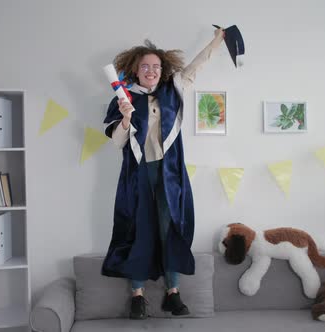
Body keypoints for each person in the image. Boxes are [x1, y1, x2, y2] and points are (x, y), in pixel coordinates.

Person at [101, 28, 224, 320]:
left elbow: (196, 66)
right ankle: (138, 297)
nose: (151, 71)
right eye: (145, 66)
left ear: (163, 69)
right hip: (138, 175)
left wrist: (217, 41)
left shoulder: (173, 91)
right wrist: (127, 116)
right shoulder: (125, 97)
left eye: (156, 66)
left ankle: (173, 294)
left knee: (170, 230)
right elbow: (118, 142)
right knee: (137, 230)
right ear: (135, 69)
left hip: (170, 174)